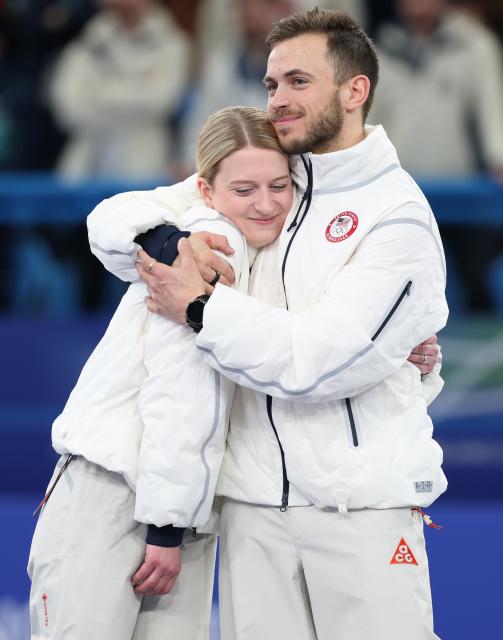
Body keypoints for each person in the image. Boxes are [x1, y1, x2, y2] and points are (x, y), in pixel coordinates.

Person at [88, 12, 448, 640]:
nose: (278, 100)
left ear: (354, 90)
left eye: (297, 81)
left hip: (358, 510)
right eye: (271, 84)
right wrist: (175, 241)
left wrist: (197, 307)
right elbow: (114, 219)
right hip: (252, 511)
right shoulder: (273, 182)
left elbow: (317, 361)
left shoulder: (399, 219)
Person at [27, 106, 294, 640]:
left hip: (175, 503)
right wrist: (167, 530)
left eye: (278, 185)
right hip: (122, 498)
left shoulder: (254, 239)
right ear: (206, 190)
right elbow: (185, 397)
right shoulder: (211, 247)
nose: (266, 204)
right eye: (245, 190)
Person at [48, 0, 190, 179]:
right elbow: (67, 106)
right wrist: (136, 91)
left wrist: (96, 94)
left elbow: (161, 102)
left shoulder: (173, 44)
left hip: (145, 162)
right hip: (86, 162)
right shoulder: (85, 44)